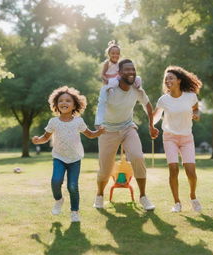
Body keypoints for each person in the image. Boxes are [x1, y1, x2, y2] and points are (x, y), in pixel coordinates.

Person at [94, 59, 159, 210]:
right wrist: (98, 125)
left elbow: (148, 106)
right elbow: (101, 106)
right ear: (119, 73)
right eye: (127, 70)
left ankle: (143, 196)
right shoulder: (108, 89)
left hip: (127, 127)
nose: (131, 72)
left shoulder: (137, 89)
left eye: (133, 69)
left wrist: (151, 125)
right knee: (105, 168)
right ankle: (99, 195)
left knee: (137, 156)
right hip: (107, 131)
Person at [32, 86, 104, 222]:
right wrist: (38, 140)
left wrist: (98, 132)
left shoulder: (78, 121)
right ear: (56, 105)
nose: (64, 103)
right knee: (55, 181)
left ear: (75, 104)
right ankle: (59, 200)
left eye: (68, 101)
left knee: (72, 186)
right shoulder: (53, 122)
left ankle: (74, 212)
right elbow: (46, 137)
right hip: (59, 157)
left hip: (75, 158)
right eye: (60, 101)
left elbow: (89, 134)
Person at [153, 66, 202, 213]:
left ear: (179, 80)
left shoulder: (190, 96)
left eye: (171, 78)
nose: (168, 81)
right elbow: (155, 117)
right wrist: (151, 126)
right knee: (173, 170)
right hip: (170, 138)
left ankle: (193, 197)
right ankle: (177, 203)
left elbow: (196, 109)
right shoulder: (163, 100)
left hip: (187, 138)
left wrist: (197, 114)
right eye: (166, 79)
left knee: (191, 172)